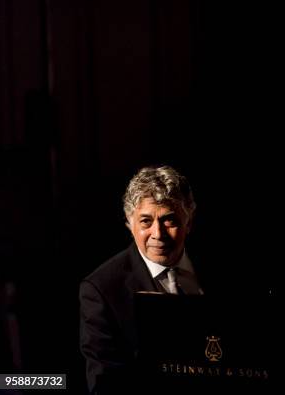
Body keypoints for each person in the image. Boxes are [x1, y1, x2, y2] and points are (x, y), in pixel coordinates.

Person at [79, 165, 203, 394]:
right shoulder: (101, 289)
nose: (158, 234)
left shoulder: (227, 271)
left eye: (170, 220)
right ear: (130, 223)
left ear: (189, 221)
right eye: (146, 221)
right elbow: (104, 384)